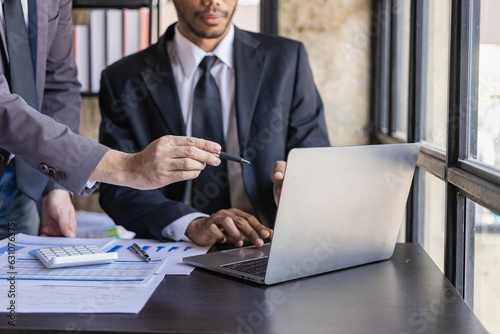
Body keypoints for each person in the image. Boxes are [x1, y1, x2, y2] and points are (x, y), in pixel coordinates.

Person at [98, 0, 330, 248]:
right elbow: (118, 187)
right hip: (176, 246)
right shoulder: (121, 78)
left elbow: (316, 163)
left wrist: (293, 186)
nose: (213, 2)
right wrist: (192, 223)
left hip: (270, 243)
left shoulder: (287, 60)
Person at [0, 0, 222, 240]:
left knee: (15, 277)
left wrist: (57, 186)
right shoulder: (122, 78)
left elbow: (58, 84)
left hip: (23, 178)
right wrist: (128, 167)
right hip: (19, 162)